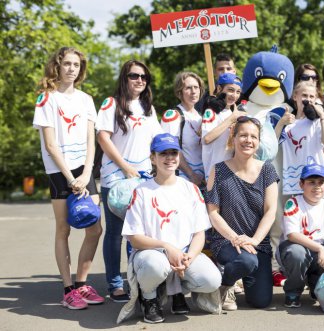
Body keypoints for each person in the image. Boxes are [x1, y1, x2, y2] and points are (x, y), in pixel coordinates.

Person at [121, 133, 222, 323]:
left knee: (211, 280)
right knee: (156, 265)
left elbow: (199, 233)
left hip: (183, 253)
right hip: (151, 254)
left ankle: (176, 291)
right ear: (153, 158)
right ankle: (149, 297)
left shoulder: (190, 189)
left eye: (173, 153)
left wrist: (189, 257)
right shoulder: (142, 191)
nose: (169, 158)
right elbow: (134, 238)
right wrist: (167, 248)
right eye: (163, 153)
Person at [33, 46, 104, 309]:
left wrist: (86, 173)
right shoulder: (46, 99)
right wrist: (70, 177)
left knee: (94, 228)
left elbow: (90, 141)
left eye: (76, 65)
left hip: (83, 171)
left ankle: (82, 284)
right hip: (58, 171)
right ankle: (67, 291)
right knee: (63, 228)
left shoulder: (86, 99)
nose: (72, 69)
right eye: (67, 64)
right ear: (57, 66)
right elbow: (51, 145)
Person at [96, 60, 162, 302]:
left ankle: (134, 278)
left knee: (136, 232)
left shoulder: (148, 108)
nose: (140, 81)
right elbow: (103, 138)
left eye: (144, 77)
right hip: (116, 178)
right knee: (114, 232)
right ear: (124, 78)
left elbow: (157, 140)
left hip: (142, 179)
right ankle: (114, 283)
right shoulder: (111, 104)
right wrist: (125, 167)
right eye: (134, 76)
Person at [206, 116, 279, 310]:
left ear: (258, 141)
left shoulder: (267, 170)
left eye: (253, 137)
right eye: (243, 135)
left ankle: (241, 274)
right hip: (227, 242)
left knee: (260, 301)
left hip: (257, 244)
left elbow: (271, 211)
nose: (248, 140)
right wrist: (236, 238)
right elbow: (213, 213)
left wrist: (254, 240)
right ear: (234, 137)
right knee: (246, 260)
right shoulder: (218, 170)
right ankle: (224, 284)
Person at [279, 163, 324, 308]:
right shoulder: (293, 203)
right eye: (311, 182)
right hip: (295, 247)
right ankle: (293, 291)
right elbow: (292, 235)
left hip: (318, 250)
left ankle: (316, 285)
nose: (317, 186)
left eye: (321, 182)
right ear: (301, 184)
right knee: (297, 254)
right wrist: (320, 249)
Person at [277, 81, 324, 198]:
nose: (308, 99)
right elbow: (274, 143)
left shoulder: (317, 122)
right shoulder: (288, 124)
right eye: (304, 95)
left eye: (312, 96)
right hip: (295, 183)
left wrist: (322, 116)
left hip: (317, 182)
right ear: (295, 96)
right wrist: (281, 123)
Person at [161, 72, 205, 187]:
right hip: (182, 178)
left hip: (203, 179)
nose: (193, 91)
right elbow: (171, 150)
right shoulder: (173, 116)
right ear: (179, 92)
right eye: (188, 88)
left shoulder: (201, 117)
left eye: (196, 87)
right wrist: (191, 175)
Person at [202, 73, 243, 180]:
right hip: (213, 175)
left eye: (238, 92)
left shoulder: (234, 113)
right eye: (230, 90)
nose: (234, 95)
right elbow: (206, 139)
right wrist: (231, 120)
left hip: (232, 174)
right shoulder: (211, 112)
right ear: (219, 88)